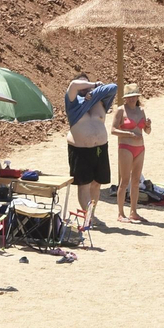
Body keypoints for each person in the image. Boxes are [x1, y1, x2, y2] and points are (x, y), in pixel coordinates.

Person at [64, 74, 117, 226]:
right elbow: (73, 84)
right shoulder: (73, 102)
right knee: (84, 184)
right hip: (81, 149)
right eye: (83, 84)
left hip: (100, 148)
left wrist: (93, 92)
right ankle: (88, 216)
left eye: (85, 84)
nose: (83, 86)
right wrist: (93, 85)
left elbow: (114, 87)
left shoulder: (99, 100)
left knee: (96, 183)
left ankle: (91, 214)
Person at [111, 83, 152, 223]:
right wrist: (129, 134)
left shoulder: (141, 111)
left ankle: (133, 211)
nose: (132, 99)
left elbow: (147, 131)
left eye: (134, 96)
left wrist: (148, 125)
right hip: (126, 147)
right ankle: (120, 213)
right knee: (124, 181)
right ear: (125, 98)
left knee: (136, 181)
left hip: (140, 148)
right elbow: (113, 130)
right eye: (129, 97)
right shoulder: (121, 111)